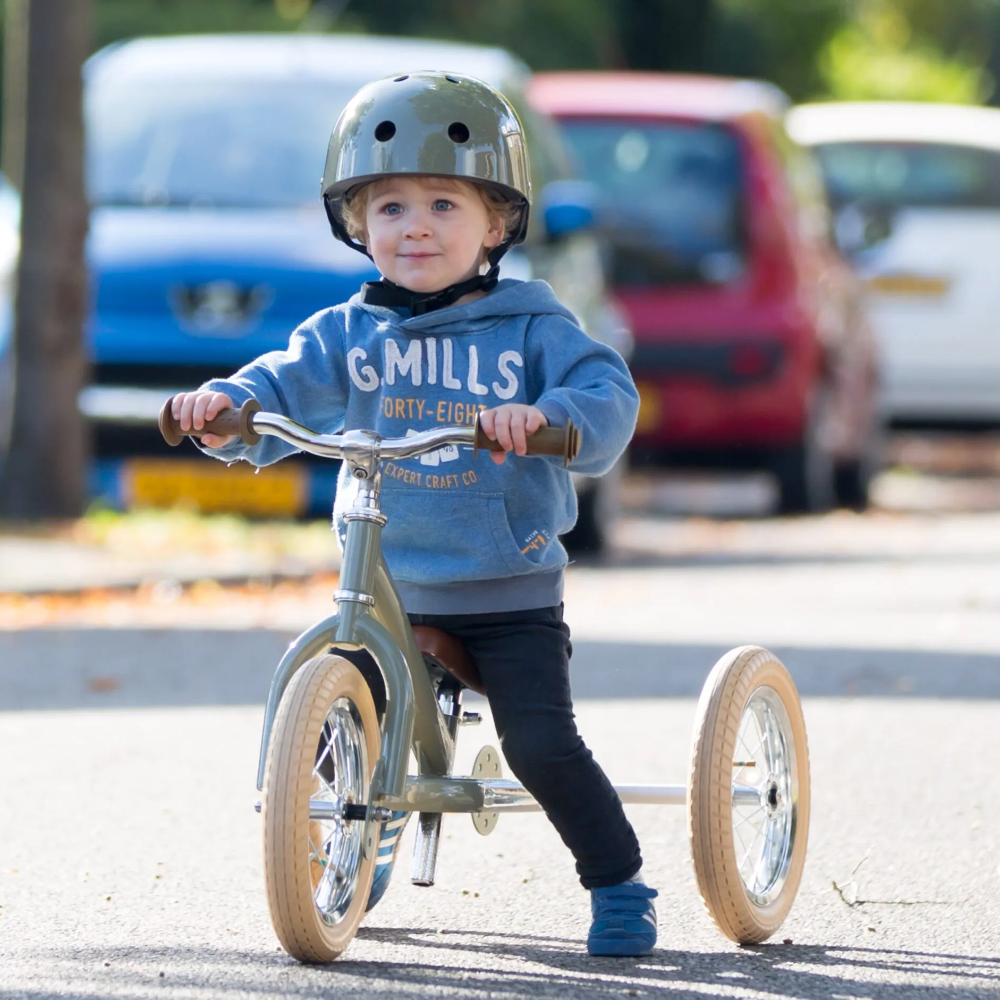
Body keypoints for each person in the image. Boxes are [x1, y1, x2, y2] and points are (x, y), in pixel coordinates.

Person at [171, 71, 656, 957]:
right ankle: (346, 846)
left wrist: (545, 420)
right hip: (389, 579)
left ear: (497, 225)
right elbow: (279, 384)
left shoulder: (530, 327)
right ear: (357, 224)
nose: (417, 225)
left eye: (443, 202)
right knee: (331, 722)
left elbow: (604, 390)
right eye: (390, 206)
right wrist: (227, 407)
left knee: (542, 745)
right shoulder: (347, 334)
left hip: (505, 586)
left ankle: (618, 879)